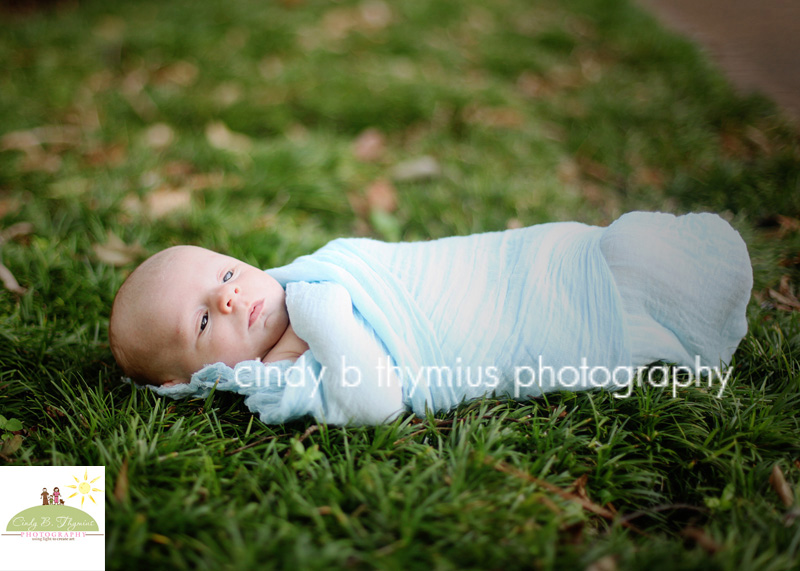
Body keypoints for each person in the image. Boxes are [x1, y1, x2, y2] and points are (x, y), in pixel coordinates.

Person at [109, 211, 753, 425]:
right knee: (602, 294)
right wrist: (321, 311)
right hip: (486, 328)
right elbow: (376, 400)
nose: (227, 297)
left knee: (582, 255)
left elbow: (404, 268)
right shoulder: (278, 378)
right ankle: (644, 298)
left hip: (504, 266)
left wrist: (316, 291)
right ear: (186, 381)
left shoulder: (306, 274)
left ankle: (611, 260)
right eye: (200, 325)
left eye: (223, 274)